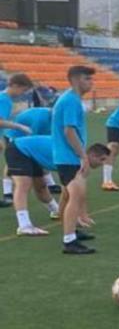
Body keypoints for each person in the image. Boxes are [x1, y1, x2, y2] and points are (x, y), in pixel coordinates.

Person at [6, 135, 108, 236]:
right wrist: (76, 216)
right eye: (102, 159)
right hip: (19, 149)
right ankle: (24, 225)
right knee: (23, 185)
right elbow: (69, 194)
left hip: (32, 153)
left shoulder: (78, 161)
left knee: (41, 187)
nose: (103, 164)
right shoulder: (73, 161)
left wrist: (73, 215)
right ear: (92, 156)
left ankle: (55, 211)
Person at [54, 65, 102, 254]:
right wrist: (83, 156)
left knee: (70, 195)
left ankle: (71, 231)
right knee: (76, 196)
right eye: (86, 79)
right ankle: (69, 241)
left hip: (66, 155)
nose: (91, 82)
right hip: (68, 156)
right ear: (74, 80)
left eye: (91, 79)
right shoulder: (71, 100)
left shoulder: (69, 99)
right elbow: (69, 130)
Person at [6, 106, 61, 194]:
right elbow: (33, 139)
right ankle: (7, 192)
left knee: (40, 155)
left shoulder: (54, 119)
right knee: (11, 163)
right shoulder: (40, 119)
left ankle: (51, 185)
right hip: (15, 134)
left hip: (28, 133)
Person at [0, 73, 35, 207]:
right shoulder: (4, 99)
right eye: (23, 90)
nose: (22, 93)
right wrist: (19, 126)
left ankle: (6, 194)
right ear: (15, 85)